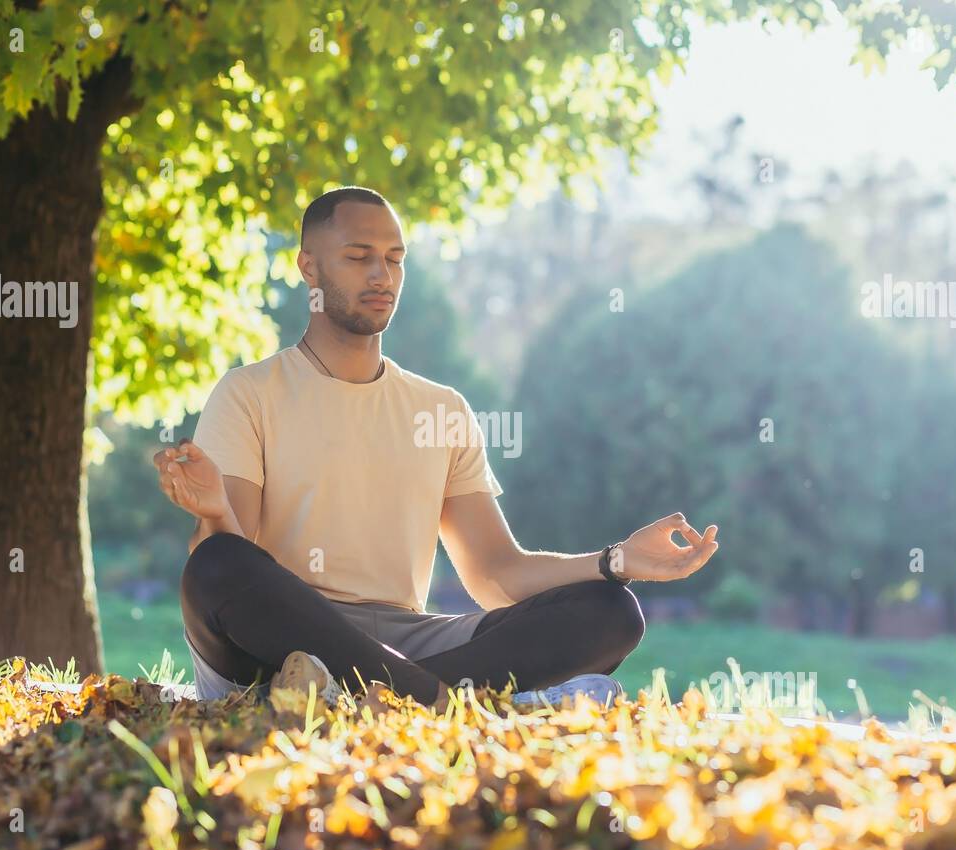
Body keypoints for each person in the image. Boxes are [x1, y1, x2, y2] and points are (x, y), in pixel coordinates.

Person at [154, 186, 719, 713]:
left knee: (611, 611)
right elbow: (236, 565)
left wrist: (615, 561)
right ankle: (451, 706)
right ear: (309, 267)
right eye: (358, 256)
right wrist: (213, 514)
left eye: (394, 258)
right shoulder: (249, 392)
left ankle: (371, 700)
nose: (382, 274)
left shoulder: (441, 409)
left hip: (408, 641)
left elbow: (497, 573)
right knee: (216, 566)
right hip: (287, 642)